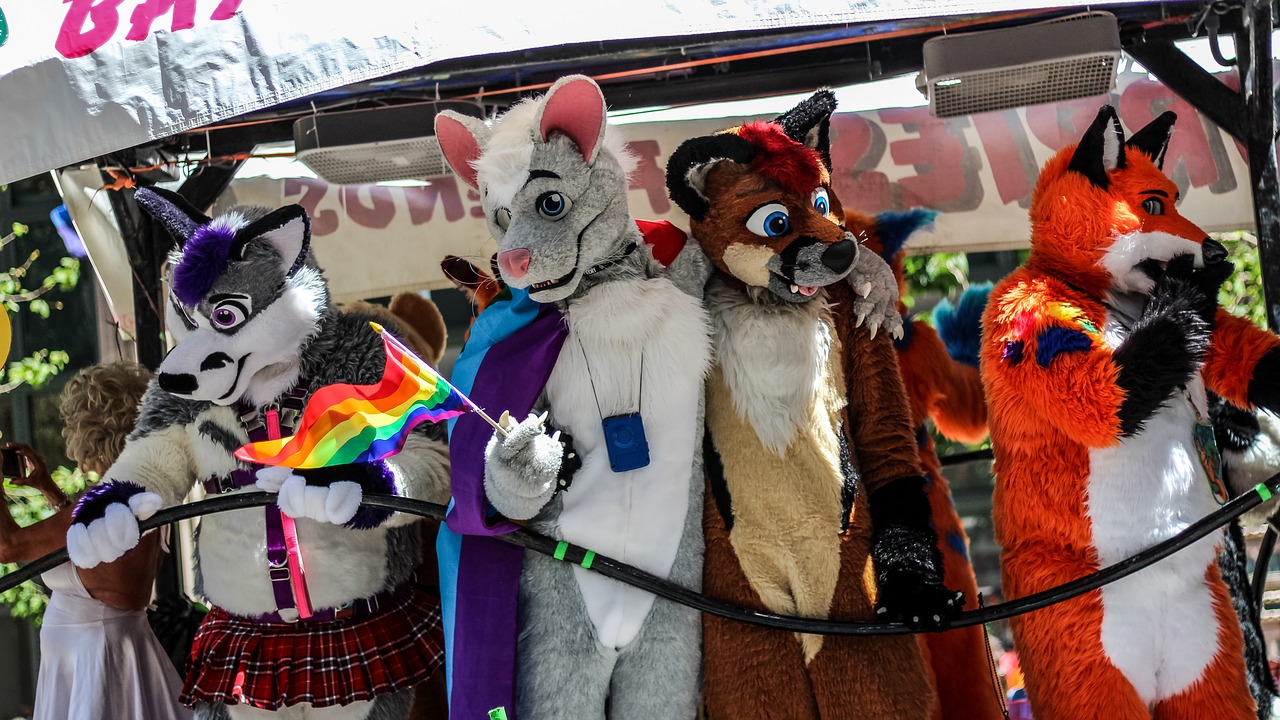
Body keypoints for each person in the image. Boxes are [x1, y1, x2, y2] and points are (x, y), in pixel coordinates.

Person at [0, 360, 191, 720]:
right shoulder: (139, 495)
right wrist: (50, 491)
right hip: (120, 652)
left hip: (94, 662)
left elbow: (7, 547)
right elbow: (93, 553)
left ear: (88, 433)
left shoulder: (106, 502)